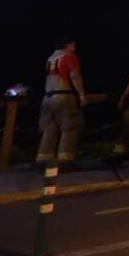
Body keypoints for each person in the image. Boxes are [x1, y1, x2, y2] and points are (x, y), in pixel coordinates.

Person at [36, 39, 87, 167]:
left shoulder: (50, 59)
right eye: (73, 44)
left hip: (47, 98)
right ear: (68, 45)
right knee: (70, 127)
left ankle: (44, 159)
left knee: (49, 129)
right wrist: (81, 94)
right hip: (63, 95)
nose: (75, 46)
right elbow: (74, 75)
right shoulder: (69, 57)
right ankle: (65, 161)